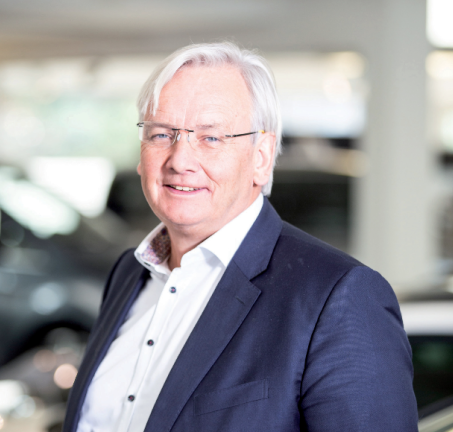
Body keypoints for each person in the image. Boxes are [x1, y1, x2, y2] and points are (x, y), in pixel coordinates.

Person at [63, 42, 418, 432]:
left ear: (261, 157)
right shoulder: (128, 274)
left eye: (211, 138)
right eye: (162, 134)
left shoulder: (338, 297)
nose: (180, 160)